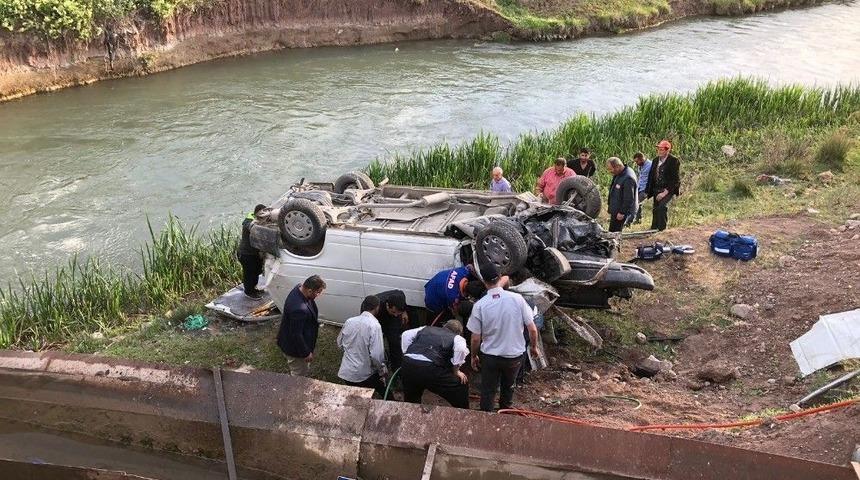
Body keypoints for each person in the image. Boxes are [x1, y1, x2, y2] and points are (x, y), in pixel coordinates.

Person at [467, 263, 539, 412]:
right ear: (499, 278)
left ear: (483, 282)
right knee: (508, 387)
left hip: (491, 358)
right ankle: (505, 412)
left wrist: (474, 356)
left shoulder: (480, 305)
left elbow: (475, 338)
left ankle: (486, 418)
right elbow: (532, 329)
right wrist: (533, 347)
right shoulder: (517, 299)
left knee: (488, 391)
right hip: (514, 357)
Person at [400, 319, 470, 408]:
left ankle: (411, 415)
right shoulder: (457, 338)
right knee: (460, 385)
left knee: (411, 399)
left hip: (408, 364)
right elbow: (461, 349)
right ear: (459, 333)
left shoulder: (425, 328)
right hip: (430, 368)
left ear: (444, 327)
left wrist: (407, 353)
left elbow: (405, 334)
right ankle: (463, 413)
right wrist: (456, 371)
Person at [337, 295, 388, 397]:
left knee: (355, 397)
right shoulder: (374, 325)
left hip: (346, 373)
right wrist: (382, 370)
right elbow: (376, 355)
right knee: (384, 391)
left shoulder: (350, 321)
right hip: (363, 375)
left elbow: (339, 343)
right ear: (377, 307)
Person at [276, 275, 326, 376]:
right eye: (318, 292)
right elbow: (296, 334)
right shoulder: (299, 309)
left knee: (303, 368)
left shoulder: (299, 288)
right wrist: (306, 353)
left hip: (295, 339)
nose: (319, 295)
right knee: (299, 374)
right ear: (309, 290)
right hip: (295, 349)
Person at [645, 140, 681, 231]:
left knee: (662, 207)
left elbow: (675, 180)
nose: (659, 151)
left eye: (662, 149)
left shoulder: (674, 161)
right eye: (659, 149)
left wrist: (665, 192)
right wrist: (648, 190)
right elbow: (651, 176)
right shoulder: (655, 160)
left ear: (667, 150)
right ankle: (654, 228)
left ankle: (662, 230)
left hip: (668, 189)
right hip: (657, 187)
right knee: (655, 208)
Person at [375, 289, 409, 371]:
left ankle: (396, 368)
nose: (396, 315)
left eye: (398, 313)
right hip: (379, 320)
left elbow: (401, 294)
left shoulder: (399, 295)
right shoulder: (376, 306)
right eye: (393, 312)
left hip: (391, 320)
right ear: (387, 305)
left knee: (394, 341)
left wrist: (404, 312)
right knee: (377, 343)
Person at [237, 204, 267, 298]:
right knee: (249, 273)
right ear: (256, 213)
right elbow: (250, 227)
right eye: (262, 214)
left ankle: (254, 288)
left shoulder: (260, 221)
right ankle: (249, 292)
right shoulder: (249, 221)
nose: (263, 216)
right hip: (246, 253)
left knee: (257, 271)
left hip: (255, 253)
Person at [606, 157, 638, 233]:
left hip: (621, 211)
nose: (610, 171)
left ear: (617, 166)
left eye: (611, 169)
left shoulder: (628, 178)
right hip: (616, 209)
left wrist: (622, 212)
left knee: (615, 233)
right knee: (611, 232)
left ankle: (616, 244)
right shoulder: (619, 173)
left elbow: (629, 198)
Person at [632, 152, 651, 224]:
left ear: (642, 159)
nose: (636, 163)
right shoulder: (641, 166)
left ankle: (630, 221)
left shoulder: (650, 165)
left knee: (635, 203)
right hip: (640, 187)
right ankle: (638, 219)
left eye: (637, 161)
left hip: (646, 189)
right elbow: (641, 177)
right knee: (636, 202)